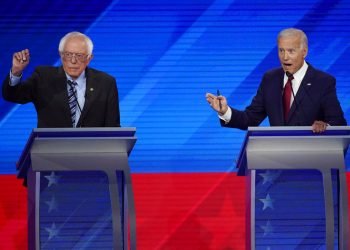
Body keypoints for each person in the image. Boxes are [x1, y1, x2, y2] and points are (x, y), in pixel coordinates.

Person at [206, 28, 346, 133]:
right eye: (281, 51)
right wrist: (224, 111)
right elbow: (250, 119)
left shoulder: (323, 82)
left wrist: (326, 127)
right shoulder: (270, 79)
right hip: (277, 162)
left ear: (304, 52)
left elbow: (339, 123)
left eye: (291, 51)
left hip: (314, 159)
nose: (285, 57)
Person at [2, 31, 120, 128]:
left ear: (89, 58)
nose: (73, 61)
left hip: (93, 153)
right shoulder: (43, 77)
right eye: (68, 54)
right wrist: (16, 71)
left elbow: (113, 128)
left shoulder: (106, 83)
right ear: (61, 55)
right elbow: (13, 95)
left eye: (79, 56)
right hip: (50, 153)